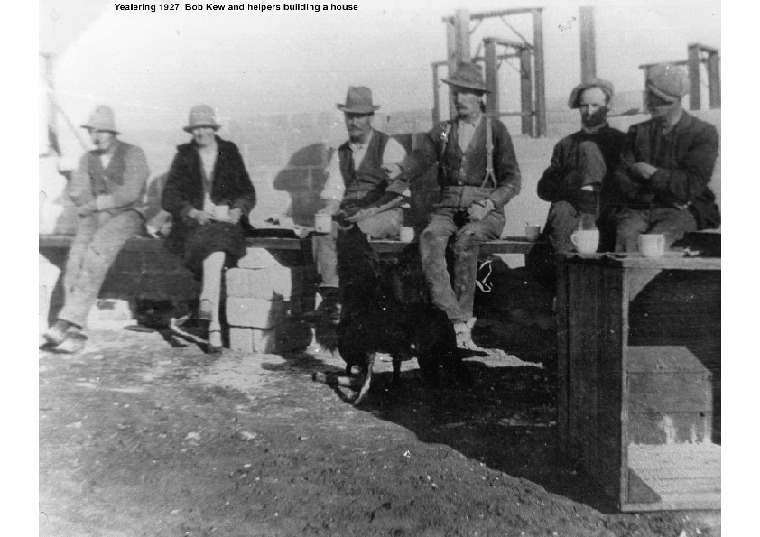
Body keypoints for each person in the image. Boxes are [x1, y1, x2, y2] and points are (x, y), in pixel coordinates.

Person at [390, 62, 521, 350]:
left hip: (485, 212)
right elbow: (420, 158)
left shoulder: (495, 131)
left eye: (466, 93)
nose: (459, 99)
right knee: (430, 237)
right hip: (447, 208)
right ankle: (453, 319)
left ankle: (466, 318)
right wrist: (399, 169)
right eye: (456, 93)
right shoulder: (443, 132)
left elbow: (513, 180)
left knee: (466, 239)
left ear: (479, 96)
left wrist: (488, 203)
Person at [42, 106, 150, 352]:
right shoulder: (87, 159)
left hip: (128, 216)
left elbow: (131, 192)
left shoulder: (133, 153)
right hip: (96, 216)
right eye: (93, 132)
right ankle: (70, 330)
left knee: (97, 253)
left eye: (103, 132)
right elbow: (79, 190)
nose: (97, 137)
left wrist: (100, 204)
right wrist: (86, 203)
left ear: (113, 133)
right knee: (76, 258)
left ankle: (70, 323)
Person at [304, 86, 407, 323]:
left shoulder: (388, 146)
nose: (354, 121)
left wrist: (367, 212)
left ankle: (362, 304)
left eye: (360, 116)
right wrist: (329, 210)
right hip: (352, 214)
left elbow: (399, 194)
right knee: (323, 230)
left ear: (371, 117)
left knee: (358, 234)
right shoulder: (340, 152)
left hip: (385, 212)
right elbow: (335, 190)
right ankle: (331, 299)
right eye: (350, 116)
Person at [161, 105, 256, 354]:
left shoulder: (229, 152)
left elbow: (247, 191)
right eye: (196, 128)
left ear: (214, 129)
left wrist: (237, 211)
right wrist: (193, 212)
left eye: (205, 127)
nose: (201, 132)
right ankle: (212, 325)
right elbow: (170, 196)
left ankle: (209, 314)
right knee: (214, 248)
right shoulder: (184, 157)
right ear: (191, 131)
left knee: (218, 242)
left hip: (226, 224)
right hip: (195, 226)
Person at [527, 79, 626, 294]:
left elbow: (625, 185)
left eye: (596, 105)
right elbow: (544, 187)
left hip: (605, 214)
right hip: (568, 214)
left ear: (608, 107)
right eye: (584, 105)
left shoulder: (620, 142)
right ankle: (564, 295)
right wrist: (574, 188)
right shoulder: (566, 144)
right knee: (561, 212)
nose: (589, 111)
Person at [609, 63, 720, 252]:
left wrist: (652, 174)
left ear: (674, 100)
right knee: (626, 235)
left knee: (656, 242)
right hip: (640, 207)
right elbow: (622, 178)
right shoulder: (637, 132)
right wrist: (664, 189)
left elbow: (692, 184)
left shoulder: (703, 133)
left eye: (658, 99)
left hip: (684, 209)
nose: (650, 104)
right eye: (649, 97)